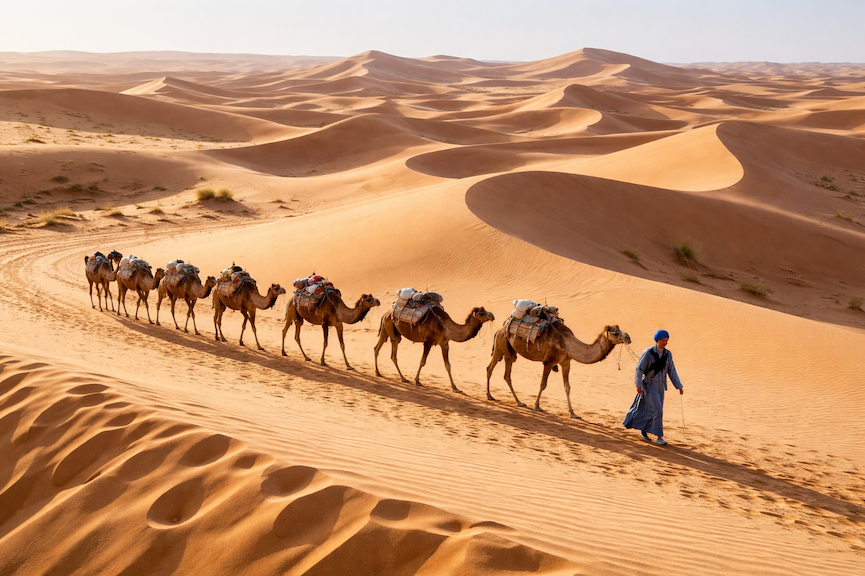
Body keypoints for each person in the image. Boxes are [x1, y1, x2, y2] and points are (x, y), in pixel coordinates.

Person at [623, 329, 684, 445]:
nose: (665, 342)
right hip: (650, 385)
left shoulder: (667, 354)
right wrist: (638, 384)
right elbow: (639, 369)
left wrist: (678, 385)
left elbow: (672, 371)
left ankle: (643, 432)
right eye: (663, 340)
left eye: (667, 340)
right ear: (657, 340)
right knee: (658, 410)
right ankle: (659, 437)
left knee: (653, 410)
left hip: (661, 387)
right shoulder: (648, 353)